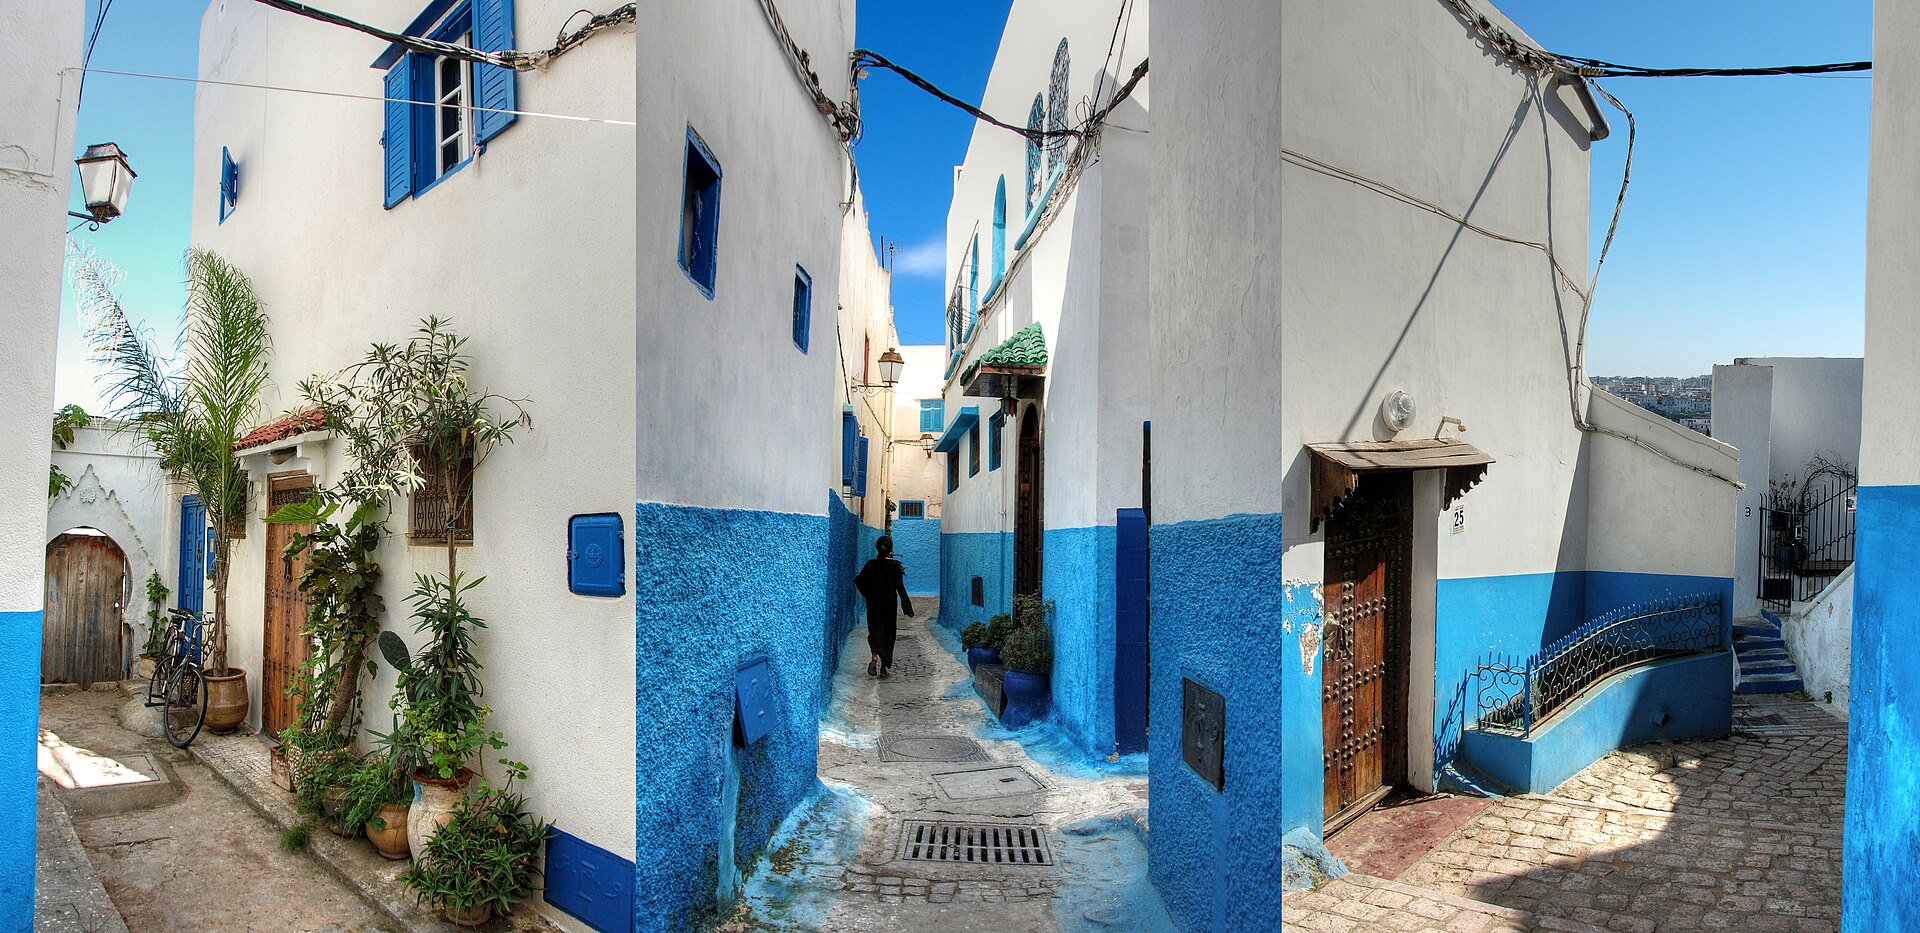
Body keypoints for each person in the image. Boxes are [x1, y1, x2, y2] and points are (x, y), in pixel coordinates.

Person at [853, 535, 914, 678]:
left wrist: (868, 594)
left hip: (873, 604)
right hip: (889, 605)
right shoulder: (895, 566)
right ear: (890, 549)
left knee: (874, 630)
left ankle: (874, 657)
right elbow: (900, 587)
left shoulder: (870, 564)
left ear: (877, 548)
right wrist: (907, 606)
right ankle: (883, 669)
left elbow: (859, 581)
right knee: (888, 633)